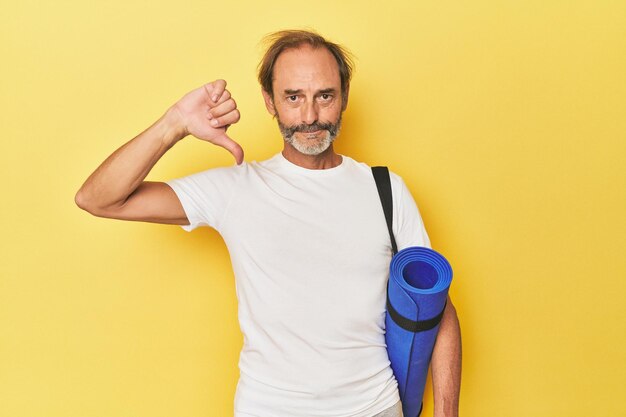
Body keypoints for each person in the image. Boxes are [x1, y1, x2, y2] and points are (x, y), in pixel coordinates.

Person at [75, 30, 461, 417]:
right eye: (293, 98)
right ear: (269, 102)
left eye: (324, 96)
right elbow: (98, 199)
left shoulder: (386, 190)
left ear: (343, 95)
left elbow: (436, 307)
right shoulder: (237, 189)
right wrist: (173, 124)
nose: (309, 116)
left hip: (374, 406)